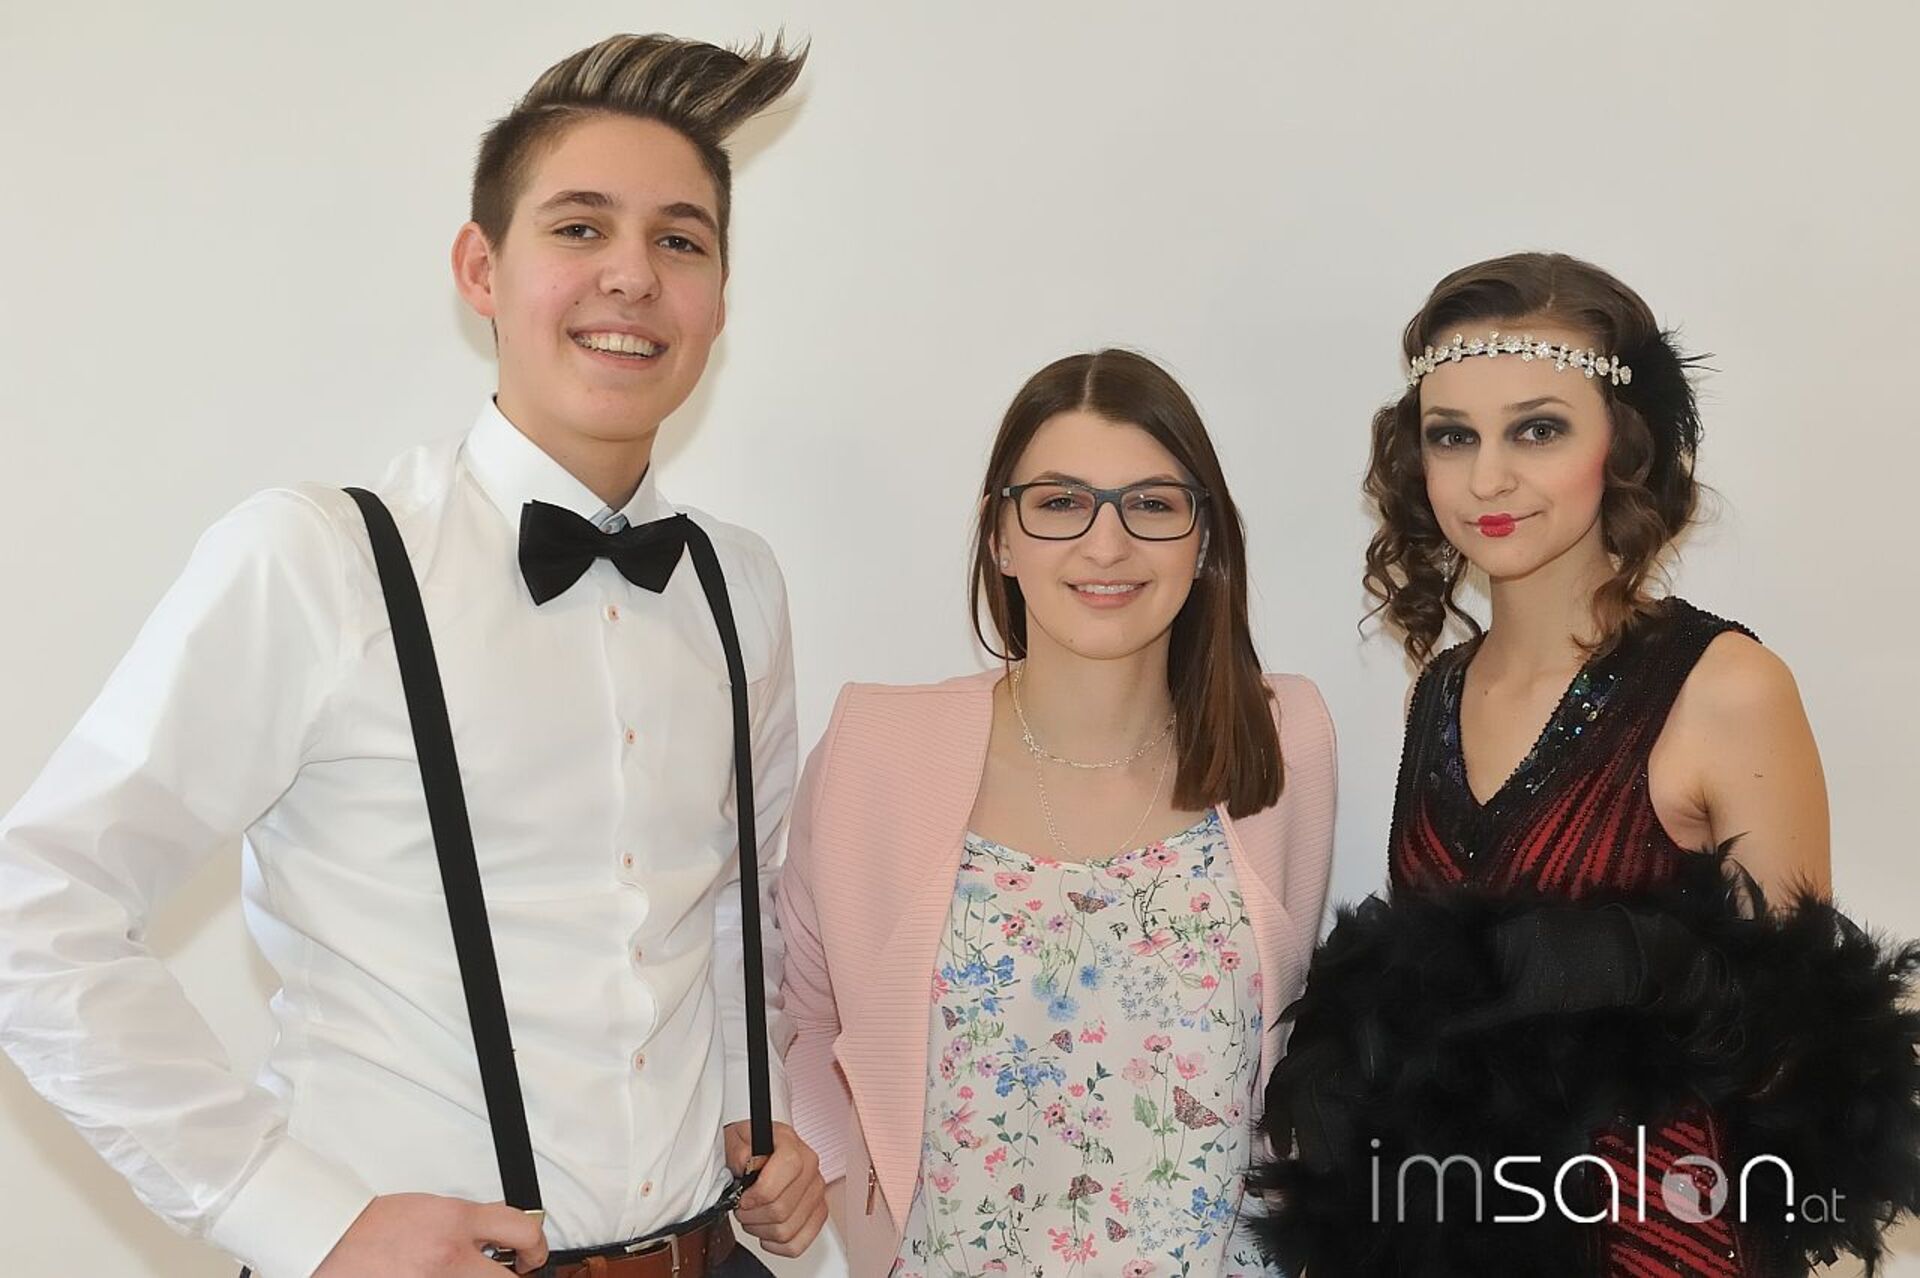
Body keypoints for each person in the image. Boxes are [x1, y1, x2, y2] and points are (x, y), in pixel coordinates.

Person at [0, 33, 828, 1278]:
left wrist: (762, 1112)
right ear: (481, 269)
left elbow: (726, 904)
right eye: (580, 228)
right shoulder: (318, 560)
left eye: (680, 240)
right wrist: (292, 1214)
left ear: (718, 294)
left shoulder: (737, 583)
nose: (632, 276)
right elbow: (36, 908)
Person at [1253, 252, 1920, 1276]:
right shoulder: (1439, 692)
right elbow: (1443, 988)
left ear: (1625, 442)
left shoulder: (1724, 688)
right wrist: (1352, 1042)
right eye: (1453, 435)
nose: (1488, 478)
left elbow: (1813, 1058)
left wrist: (1660, 967)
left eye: (1538, 429)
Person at [776, 349, 1338, 1276]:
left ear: (1203, 540)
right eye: (1060, 501)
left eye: (1151, 503)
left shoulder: (1287, 739)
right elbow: (800, 1010)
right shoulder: (876, 748)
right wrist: (849, 1197)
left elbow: (1302, 1049)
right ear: (1001, 536)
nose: (1105, 544)